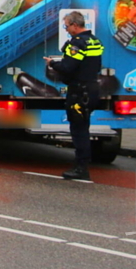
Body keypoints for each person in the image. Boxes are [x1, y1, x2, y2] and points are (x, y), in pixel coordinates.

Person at [44, 11, 103, 181]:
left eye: (67, 26)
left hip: (79, 91)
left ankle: (81, 167)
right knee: (84, 126)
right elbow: (96, 65)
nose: (67, 29)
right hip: (92, 88)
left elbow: (68, 67)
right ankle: (82, 164)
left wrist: (52, 63)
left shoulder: (77, 44)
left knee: (79, 130)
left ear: (75, 25)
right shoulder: (94, 41)